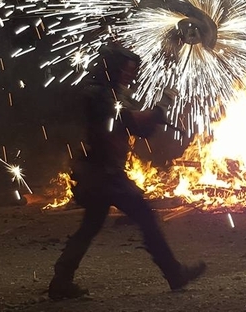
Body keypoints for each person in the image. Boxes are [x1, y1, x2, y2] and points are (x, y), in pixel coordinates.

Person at [48, 46, 206, 300]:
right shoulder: (97, 94)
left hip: (104, 172)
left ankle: (61, 281)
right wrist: (161, 106)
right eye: (125, 70)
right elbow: (130, 121)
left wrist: (156, 115)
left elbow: (140, 130)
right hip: (101, 173)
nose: (129, 76)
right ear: (111, 67)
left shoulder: (113, 93)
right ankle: (174, 273)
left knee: (91, 226)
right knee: (144, 217)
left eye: (132, 71)